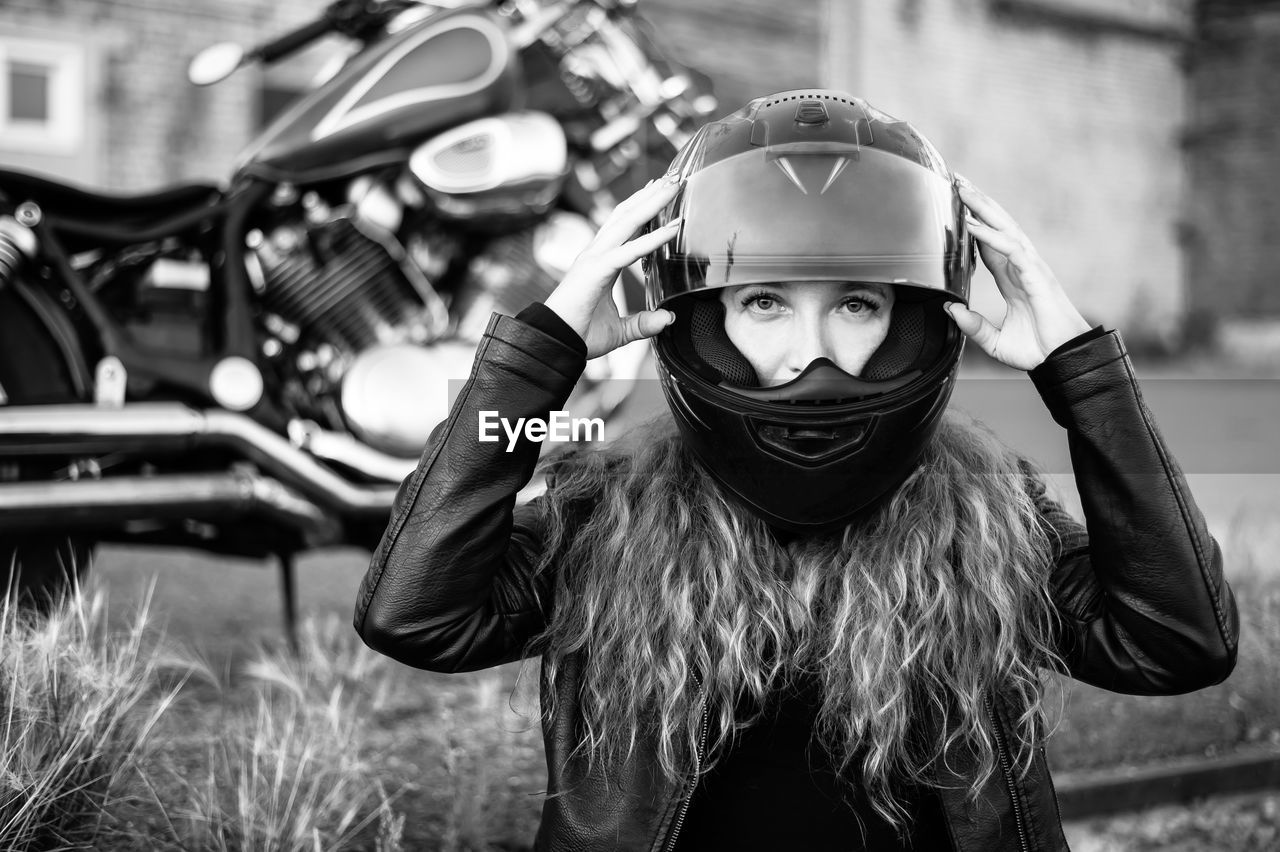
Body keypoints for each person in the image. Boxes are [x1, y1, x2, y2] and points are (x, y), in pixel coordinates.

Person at [353, 91, 1238, 851]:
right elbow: (416, 615)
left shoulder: (990, 514)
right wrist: (538, 361)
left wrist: (1081, 373)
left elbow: (1176, 641)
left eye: (857, 303)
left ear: (913, 324)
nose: (810, 355)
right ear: (699, 322)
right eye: (764, 302)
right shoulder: (604, 514)